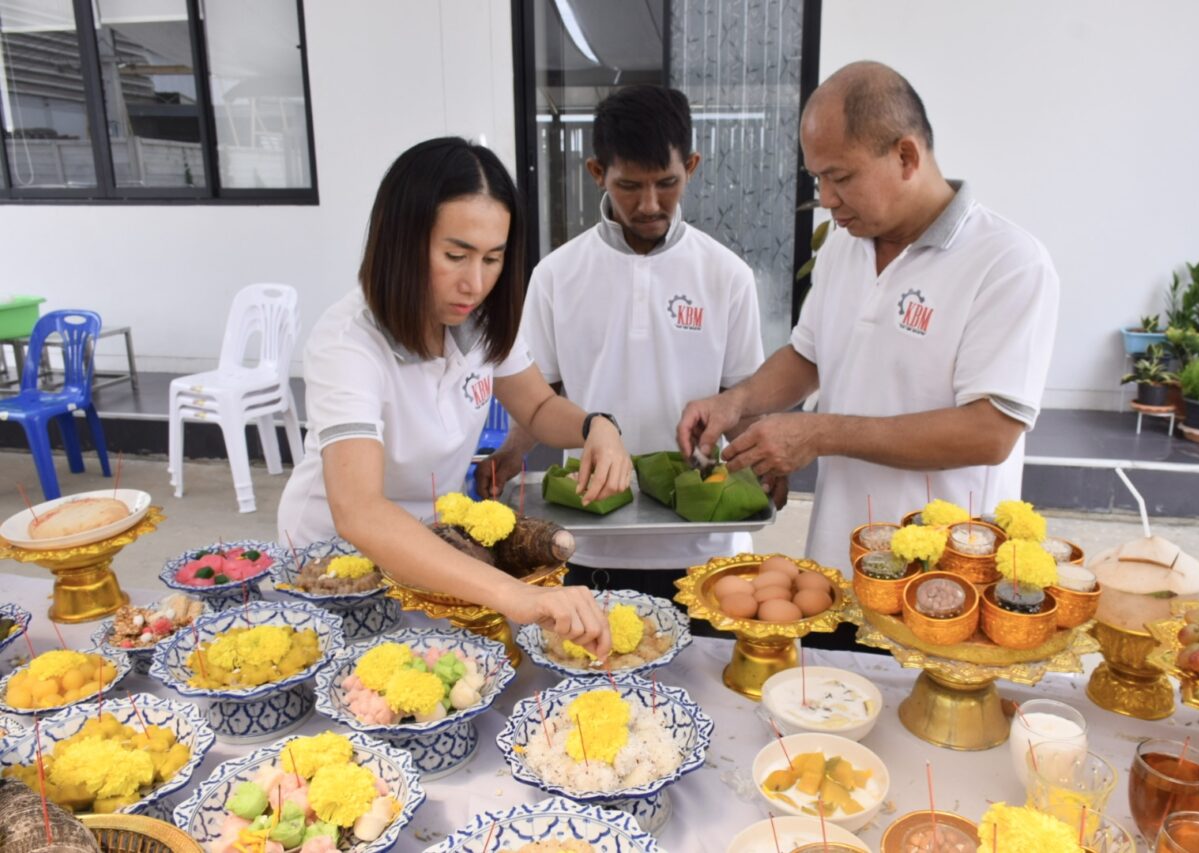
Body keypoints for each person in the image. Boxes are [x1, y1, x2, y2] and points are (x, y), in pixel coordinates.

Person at [677, 61, 1060, 576]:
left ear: (906, 156)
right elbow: (808, 356)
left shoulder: (1007, 263)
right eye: (818, 178)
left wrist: (819, 434)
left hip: (941, 575)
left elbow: (990, 433)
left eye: (841, 177)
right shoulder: (844, 247)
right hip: (838, 552)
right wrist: (735, 402)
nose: (826, 199)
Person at [277, 138, 633, 657]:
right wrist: (514, 594)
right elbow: (359, 510)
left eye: (493, 259)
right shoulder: (347, 343)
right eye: (455, 256)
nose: (475, 283)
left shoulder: (479, 322)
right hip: (339, 566)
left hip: (436, 551)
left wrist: (596, 426)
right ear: (401, 241)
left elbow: (537, 407)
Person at [478, 85, 767, 598]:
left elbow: (743, 402)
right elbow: (541, 396)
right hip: (588, 541)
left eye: (667, 183)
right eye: (629, 186)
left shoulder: (727, 276)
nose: (650, 204)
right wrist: (508, 455)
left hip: (704, 543)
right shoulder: (557, 275)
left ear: (691, 167)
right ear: (597, 173)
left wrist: (765, 460)